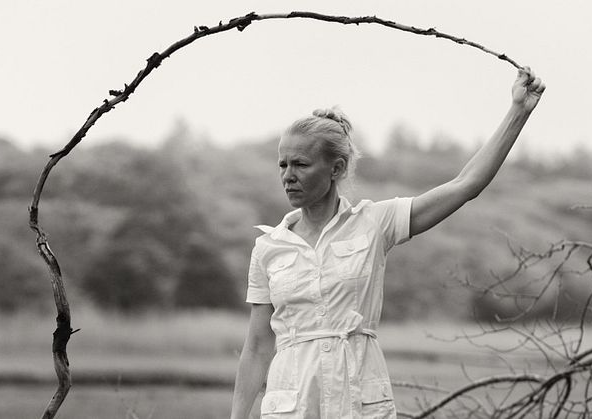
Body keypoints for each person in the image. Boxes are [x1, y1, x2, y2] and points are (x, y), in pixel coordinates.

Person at [229, 67, 546, 419]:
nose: (288, 176)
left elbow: (465, 185)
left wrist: (519, 111)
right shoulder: (269, 248)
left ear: (336, 169)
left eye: (301, 164)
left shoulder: (375, 223)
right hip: (289, 405)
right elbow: (257, 347)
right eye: (283, 164)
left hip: (360, 399)